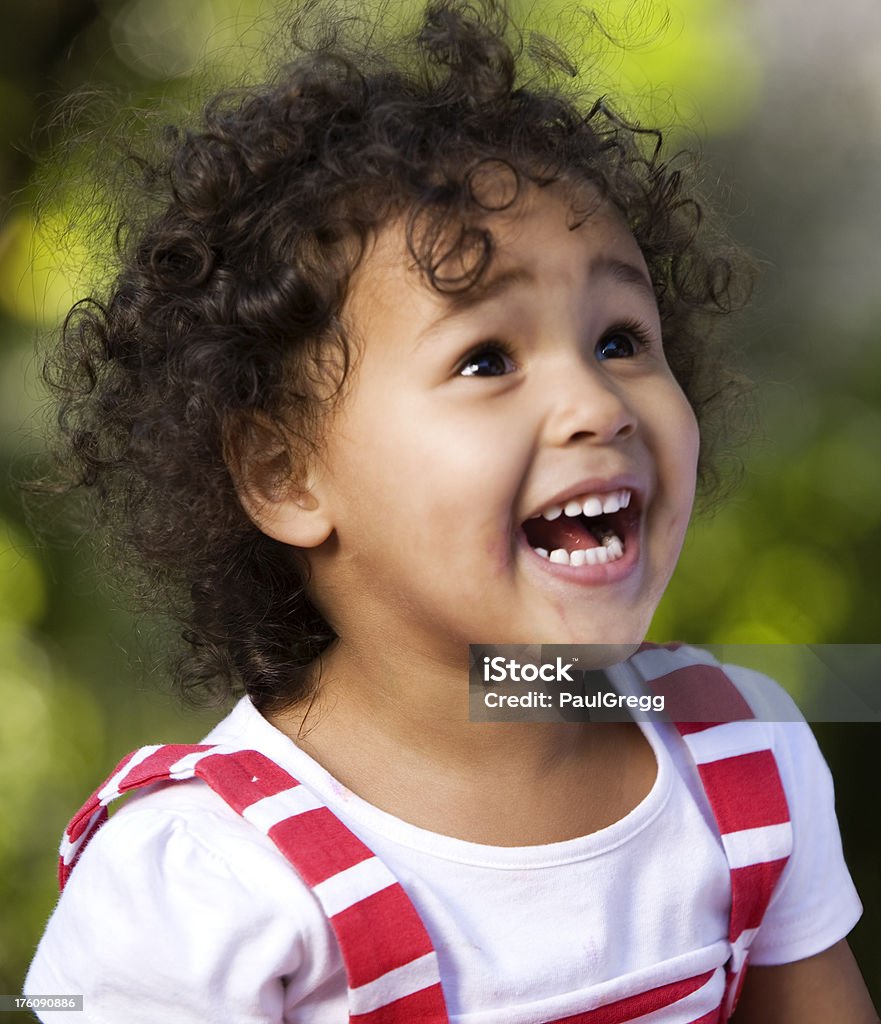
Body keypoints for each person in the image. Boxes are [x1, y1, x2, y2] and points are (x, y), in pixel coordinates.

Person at [25, 1, 878, 1021]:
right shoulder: (205, 887)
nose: (596, 405)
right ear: (285, 474)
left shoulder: (740, 753)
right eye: (486, 358)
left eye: (617, 339)